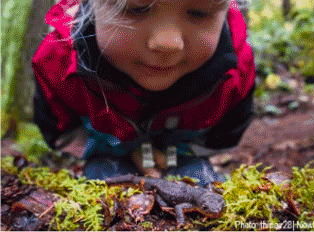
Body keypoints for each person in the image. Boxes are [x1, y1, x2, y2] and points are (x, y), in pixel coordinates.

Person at [33, 0, 255, 188]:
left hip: (184, 149)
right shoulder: (57, 65)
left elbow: (226, 133)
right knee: (102, 177)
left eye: (199, 13)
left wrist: (173, 153)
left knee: (198, 179)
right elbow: (59, 130)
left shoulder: (236, 72)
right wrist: (125, 149)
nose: (168, 44)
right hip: (107, 148)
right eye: (136, 8)